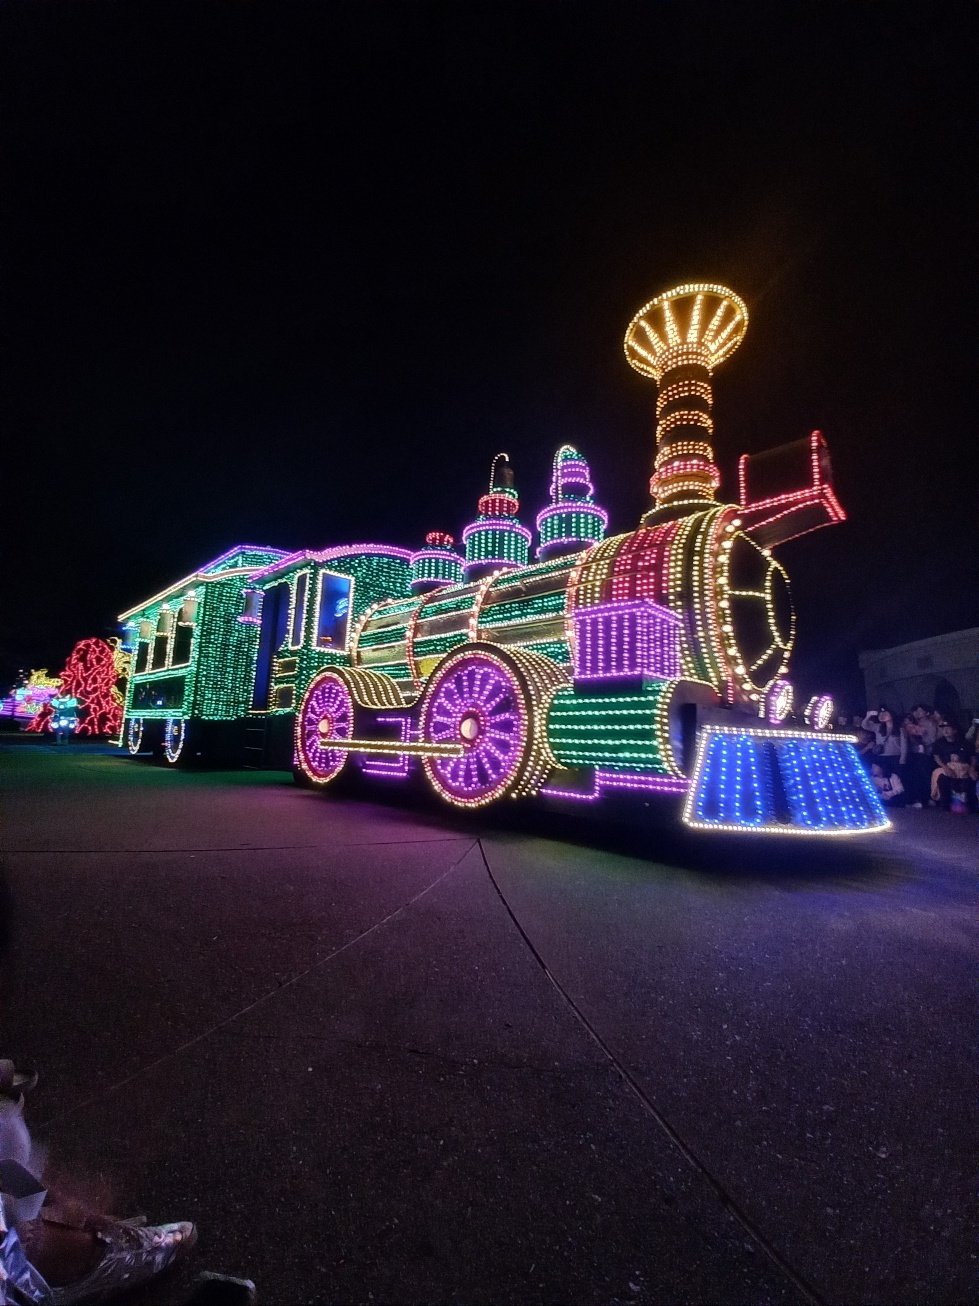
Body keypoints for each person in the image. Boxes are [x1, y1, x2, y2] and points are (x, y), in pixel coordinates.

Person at [900, 714, 931, 808]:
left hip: (919, 755)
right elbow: (905, 744)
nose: (909, 723)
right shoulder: (902, 730)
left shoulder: (918, 728)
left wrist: (919, 733)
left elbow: (924, 738)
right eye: (906, 721)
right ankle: (914, 799)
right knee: (912, 778)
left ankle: (924, 799)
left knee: (922, 777)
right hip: (910, 755)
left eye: (910, 720)